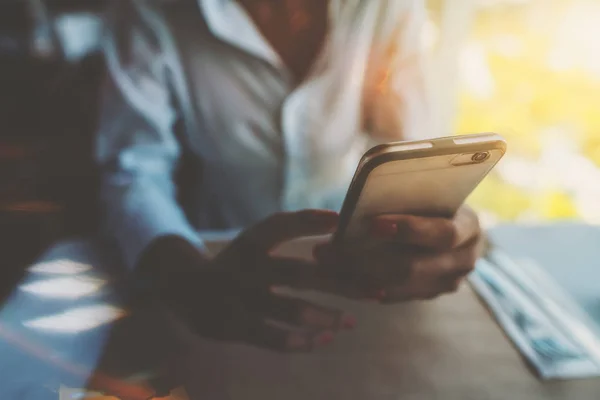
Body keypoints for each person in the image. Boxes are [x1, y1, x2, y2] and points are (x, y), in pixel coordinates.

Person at [95, 0, 483, 352]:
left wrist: (429, 223)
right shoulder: (153, 11)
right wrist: (182, 276)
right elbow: (134, 168)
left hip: (354, 273)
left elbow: (407, 152)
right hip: (216, 265)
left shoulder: (385, 7)